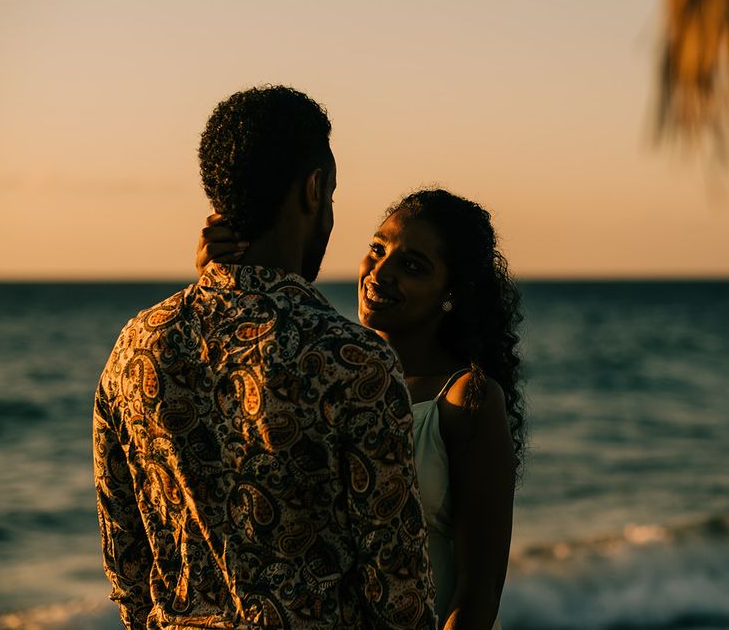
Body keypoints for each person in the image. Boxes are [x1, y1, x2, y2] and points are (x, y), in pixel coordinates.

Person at [93, 86, 438, 630]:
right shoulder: (354, 363)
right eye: (331, 195)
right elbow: (399, 597)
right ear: (314, 188)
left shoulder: (134, 349)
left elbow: (128, 572)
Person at [198, 188, 525, 629]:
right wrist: (216, 281)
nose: (380, 272)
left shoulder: (466, 399)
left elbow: (479, 593)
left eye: (411, 266)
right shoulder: (330, 372)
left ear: (452, 293)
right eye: (377, 249)